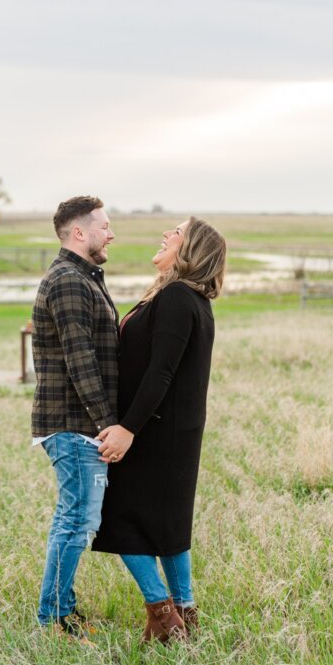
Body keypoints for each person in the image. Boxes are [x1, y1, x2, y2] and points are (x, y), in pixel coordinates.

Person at [90, 217, 226, 643]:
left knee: (122, 520)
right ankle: (184, 610)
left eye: (177, 232)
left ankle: (164, 615)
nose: (167, 234)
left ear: (190, 250)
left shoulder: (176, 299)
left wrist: (127, 429)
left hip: (155, 432)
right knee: (169, 526)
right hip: (174, 431)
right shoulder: (191, 301)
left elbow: (161, 373)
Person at [31, 195, 119, 645]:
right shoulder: (68, 280)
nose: (111, 233)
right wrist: (107, 423)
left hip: (78, 421)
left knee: (74, 519)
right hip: (73, 422)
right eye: (104, 225)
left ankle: (60, 609)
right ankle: (54, 619)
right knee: (74, 522)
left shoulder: (83, 277)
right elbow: (79, 358)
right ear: (79, 232)